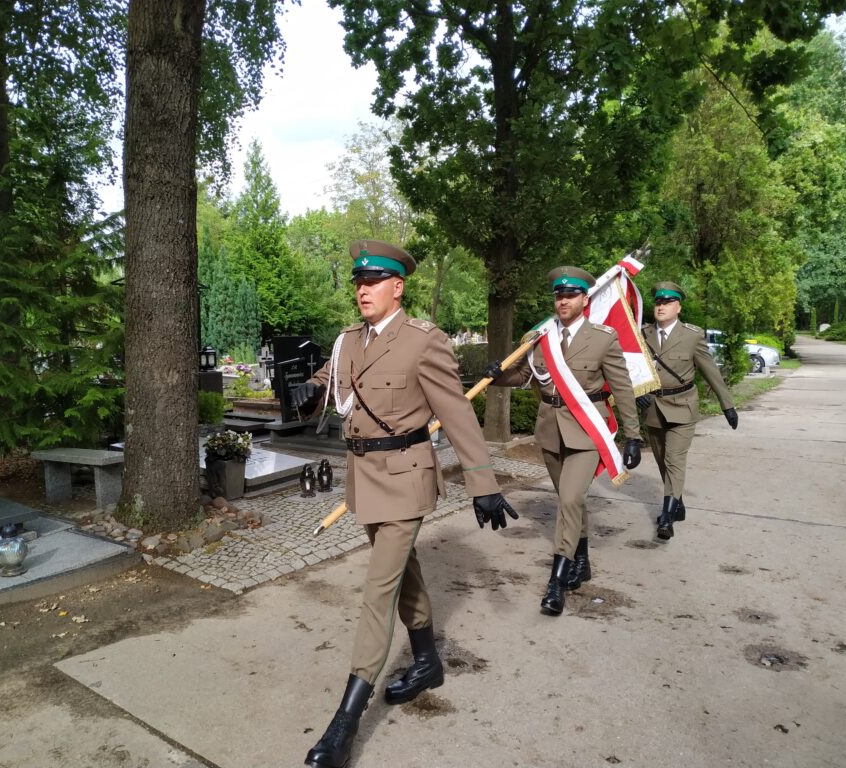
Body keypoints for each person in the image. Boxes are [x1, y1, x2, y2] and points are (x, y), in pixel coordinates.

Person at [291, 239, 517, 768]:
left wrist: (482, 484)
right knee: (405, 572)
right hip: (364, 477)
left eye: (373, 282)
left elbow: (457, 413)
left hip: (408, 478)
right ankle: (427, 663)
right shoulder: (347, 340)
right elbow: (337, 381)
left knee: (378, 589)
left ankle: (344, 723)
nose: (362, 289)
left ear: (398, 287)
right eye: (357, 282)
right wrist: (310, 386)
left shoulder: (423, 341)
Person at [484, 266, 642, 616]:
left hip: (587, 431)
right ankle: (581, 560)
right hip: (551, 430)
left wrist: (633, 435)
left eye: (570, 295)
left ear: (585, 299)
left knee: (569, 499)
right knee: (571, 502)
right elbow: (524, 376)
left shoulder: (603, 337)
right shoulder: (541, 338)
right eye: (558, 295)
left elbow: (622, 388)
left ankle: (555, 582)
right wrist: (497, 376)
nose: (563, 301)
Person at [637, 282, 737, 539]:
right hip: (654, 408)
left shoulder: (692, 335)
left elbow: (710, 371)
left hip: (682, 407)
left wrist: (727, 405)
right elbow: (630, 369)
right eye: (658, 302)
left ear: (678, 307)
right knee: (661, 461)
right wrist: (637, 393)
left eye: (667, 302)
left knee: (674, 460)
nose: (661, 306)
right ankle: (677, 501)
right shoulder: (642, 334)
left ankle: (666, 517)